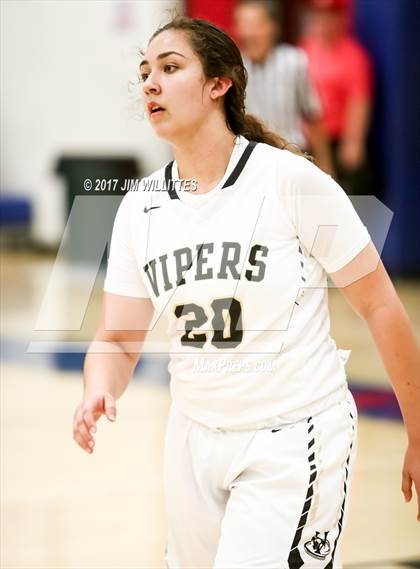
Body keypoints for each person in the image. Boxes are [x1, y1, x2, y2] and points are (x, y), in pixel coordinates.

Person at [72, 15, 419, 569]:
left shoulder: (290, 181)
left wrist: (419, 434)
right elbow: (117, 336)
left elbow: (380, 306)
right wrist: (97, 386)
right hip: (191, 439)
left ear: (219, 84)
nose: (150, 84)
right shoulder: (139, 206)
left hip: (292, 435)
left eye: (169, 67)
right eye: (145, 73)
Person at [233, 0, 333, 174]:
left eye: (256, 24)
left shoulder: (294, 61)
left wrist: (327, 168)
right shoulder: (233, 69)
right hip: (250, 163)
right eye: (244, 24)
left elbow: (313, 116)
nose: (250, 32)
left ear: (272, 27)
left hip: (292, 157)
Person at [300, 0, 374, 195]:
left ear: (341, 18)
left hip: (337, 140)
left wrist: (353, 141)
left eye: (330, 15)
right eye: (319, 15)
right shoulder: (304, 50)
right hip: (308, 142)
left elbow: (359, 100)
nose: (324, 21)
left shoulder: (353, 55)